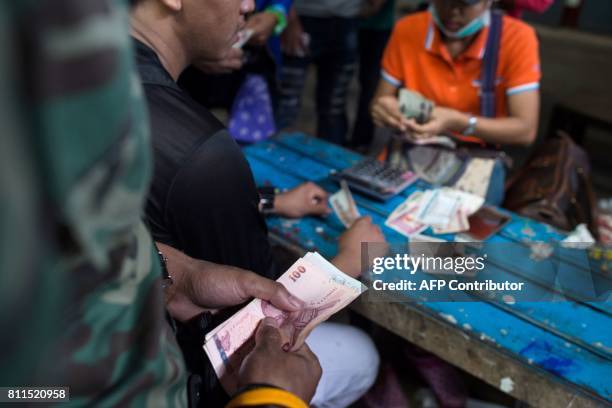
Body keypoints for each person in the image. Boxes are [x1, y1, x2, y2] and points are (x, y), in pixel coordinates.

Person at [2, 0, 322, 406]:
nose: (249, 4)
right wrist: (273, 398)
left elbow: (79, 239)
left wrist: (176, 276)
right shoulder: (199, 151)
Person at [129, 0, 385, 406]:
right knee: (361, 354)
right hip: (183, 380)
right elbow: (260, 324)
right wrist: (348, 264)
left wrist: (270, 201)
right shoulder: (201, 153)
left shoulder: (67, 88)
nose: (251, 4)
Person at [370, 0, 541, 204]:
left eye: (466, 3)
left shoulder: (517, 38)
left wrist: (459, 122)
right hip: (411, 146)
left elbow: (525, 131)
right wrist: (384, 110)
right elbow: (380, 101)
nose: (453, 11)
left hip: (477, 156)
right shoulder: (408, 28)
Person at [276, 0, 365, 146]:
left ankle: (334, 163)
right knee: (286, 104)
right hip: (303, 16)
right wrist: (288, 16)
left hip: (347, 18)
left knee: (334, 107)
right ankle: (274, 156)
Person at [351, 0, 397, 151]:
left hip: (375, 27)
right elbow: (379, 104)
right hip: (359, 24)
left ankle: (362, 141)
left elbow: (375, 6)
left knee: (370, 84)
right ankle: (361, 140)